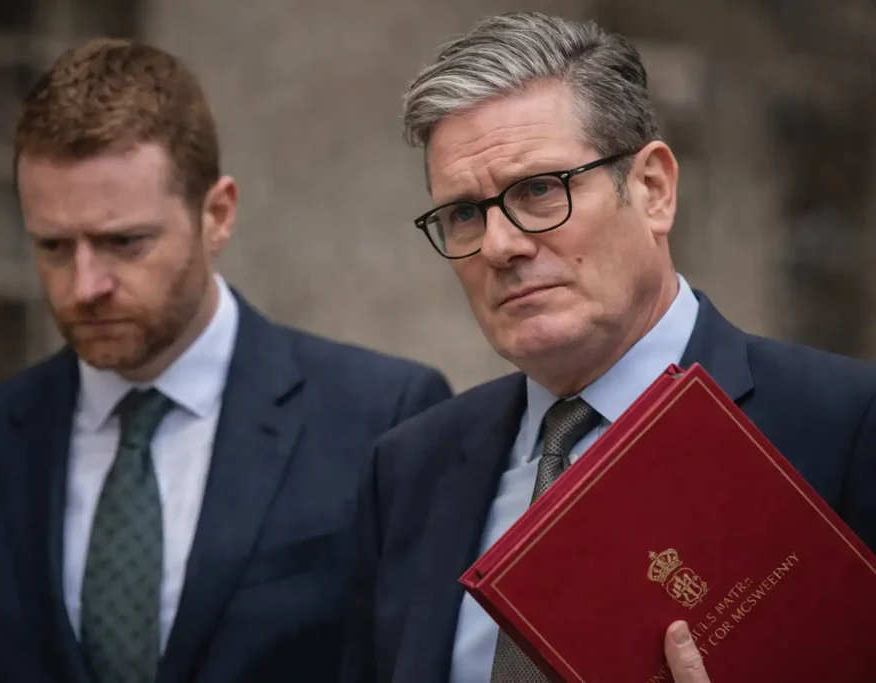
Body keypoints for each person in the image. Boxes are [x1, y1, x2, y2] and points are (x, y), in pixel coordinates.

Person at [339, 12, 876, 683]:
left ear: (653, 188)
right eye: (465, 214)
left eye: (539, 190)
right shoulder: (410, 469)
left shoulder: (846, 426)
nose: (502, 246)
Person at [0, 38, 452, 683]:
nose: (84, 286)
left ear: (217, 215)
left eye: (124, 243)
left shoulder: (385, 421)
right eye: (52, 246)